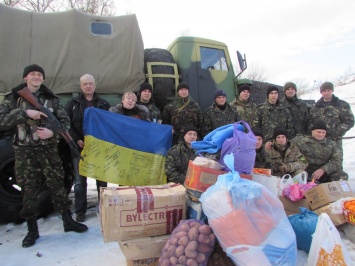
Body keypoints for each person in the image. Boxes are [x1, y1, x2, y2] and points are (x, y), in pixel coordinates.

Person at [0, 64, 87, 248]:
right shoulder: (13, 98)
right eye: (33, 74)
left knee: (57, 185)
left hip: (49, 150)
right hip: (25, 151)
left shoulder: (52, 100)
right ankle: (32, 230)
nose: (36, 77)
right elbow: (2, 120)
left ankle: (68, 221)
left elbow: (64, 122)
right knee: (29, 189)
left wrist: (51, 132)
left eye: (39, 74)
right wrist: (24, 113)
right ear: (25, 77)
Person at [65, 74, 111, 222]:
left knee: (102, 181)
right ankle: (80, 212)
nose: (88, 86)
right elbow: (67, 125)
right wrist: (77, 140)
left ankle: (103, 209)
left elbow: (109, 125)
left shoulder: (103, 104)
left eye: (90, 83)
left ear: (95, 86)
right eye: (85, 84)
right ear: (81, 86)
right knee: (79, 181)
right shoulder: (72, 103)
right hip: (79, 149)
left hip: (99, 150)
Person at [308, 81, 354, 155]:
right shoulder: (316, 107)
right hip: (318, 140)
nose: (326, 93)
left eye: (328, 90)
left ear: (332, 91)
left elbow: (349, 121)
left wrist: (336, 132)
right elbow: (310, 121)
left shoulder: (342, 105)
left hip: (334, 140)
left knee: (336, 162)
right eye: (324, 91)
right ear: (321, 92)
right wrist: (314, 133)